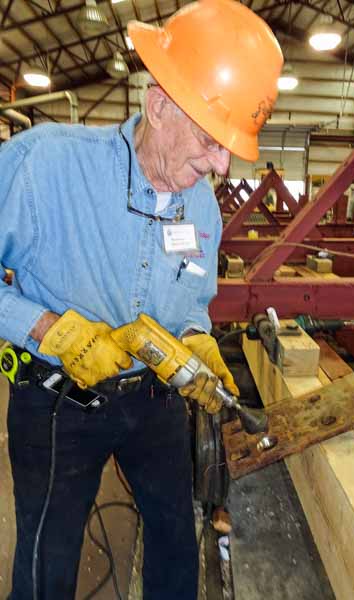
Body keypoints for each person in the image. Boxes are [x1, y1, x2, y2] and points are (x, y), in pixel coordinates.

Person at [0, 0, 283, 598]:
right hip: (58, 404)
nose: (221, 163)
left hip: (151, 398)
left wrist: (193, 336)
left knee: (176, 538)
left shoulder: (201, 204)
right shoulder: (42, 165)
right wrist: (46, 328)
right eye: (211, 140)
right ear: (158, 105)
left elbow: (191, 301)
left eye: (230, 148)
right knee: (47, 560)